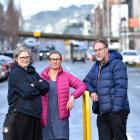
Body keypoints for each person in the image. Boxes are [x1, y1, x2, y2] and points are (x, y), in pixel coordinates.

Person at [83, 39, 130, 140]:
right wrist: (92, 92)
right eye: (95, 50)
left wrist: (115, 111)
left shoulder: (118, 64)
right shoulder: (96, 66)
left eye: (100, 49)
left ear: (107, 49)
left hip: (117, 111)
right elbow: (85, 82)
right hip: (102, 112)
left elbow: (121, 88)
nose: (97, 52)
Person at [5, 46, 49, 140]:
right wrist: (37, 84)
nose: (25, 60)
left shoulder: (32, 72)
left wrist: (33, 85)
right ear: (16, 59)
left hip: (35, 116)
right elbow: (27, 91)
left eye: (27, 57)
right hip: (21, 116)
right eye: (22, 57)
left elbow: (45, 87)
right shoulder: (15, 73)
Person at [40, 51, 86, 140]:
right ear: (49, 61)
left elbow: (82, 86)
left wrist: (72, 96)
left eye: (57, 59)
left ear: (61, 60)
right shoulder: (41, 77)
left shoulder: (66, 76)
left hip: (61, 122)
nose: (55, 61)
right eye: (53, 59)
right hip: (45, 121)